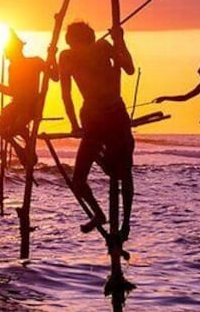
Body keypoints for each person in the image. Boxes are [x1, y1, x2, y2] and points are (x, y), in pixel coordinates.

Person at [59, 21, 135, 240]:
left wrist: (120, 41)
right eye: (75, 45)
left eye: (83, 45)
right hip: (91, 119)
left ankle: (126, 226)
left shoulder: (103, 48)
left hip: (116, 115)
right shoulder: (67, 57)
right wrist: (74, 124)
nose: (80, 50)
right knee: (78, 180)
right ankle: (99, 214)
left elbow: (129, 68)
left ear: (89, 41)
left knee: (125, 172)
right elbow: (66, 94)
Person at [0, 31, 55, 166]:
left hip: (31, 106)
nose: (7, 56)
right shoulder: (13, 67)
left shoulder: (35, 62)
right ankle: (19, 147)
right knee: (0, 126)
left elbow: (55, 77)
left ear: (15, 50)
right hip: (17, 105)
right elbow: (11, 91)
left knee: (15, 127)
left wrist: (52, 57)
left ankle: (25, 138)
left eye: (8, 52)